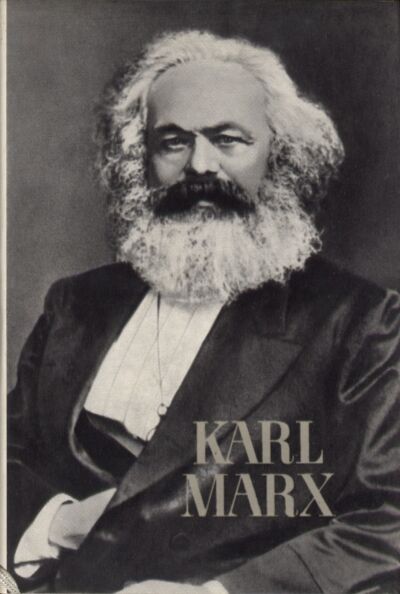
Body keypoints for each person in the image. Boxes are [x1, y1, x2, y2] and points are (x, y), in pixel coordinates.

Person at [8, 30, 400, 593]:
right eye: (173, 142)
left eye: (228, 140)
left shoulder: (359, 322)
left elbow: (388, 518)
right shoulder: (76, 303)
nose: (200, 166)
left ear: (279, 153)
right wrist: (57, 522)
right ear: (140, 160)